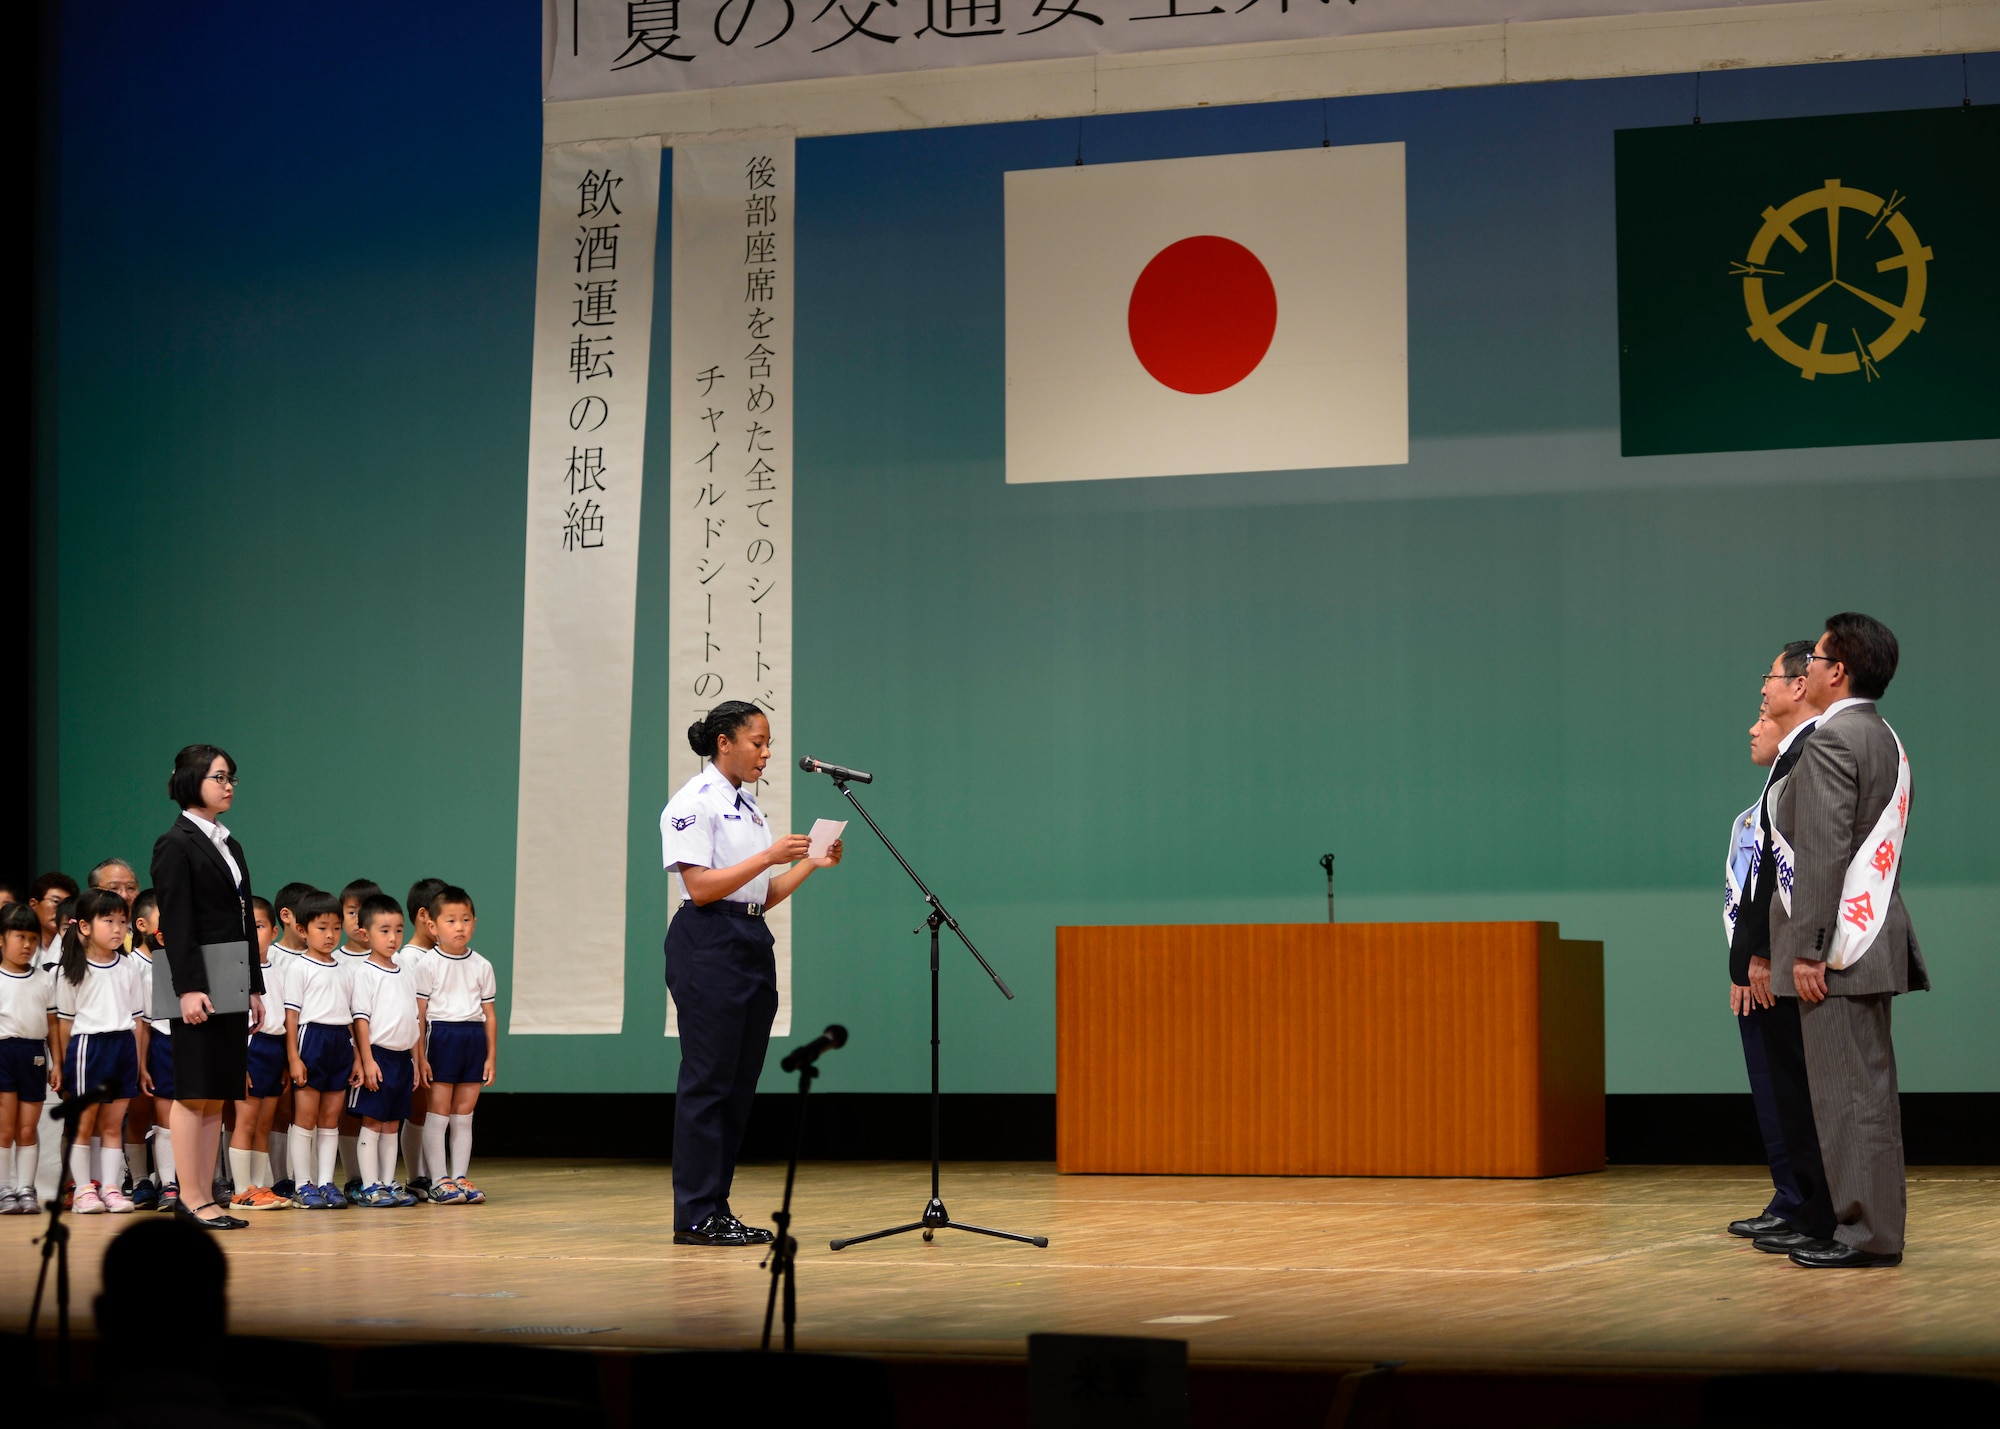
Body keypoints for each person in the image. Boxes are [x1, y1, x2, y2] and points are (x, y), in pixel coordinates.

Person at [1769, 612, 1927, 1269]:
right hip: (1868, 937)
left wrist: (1809, 946)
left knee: (1850, 1100)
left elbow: (1826, 849)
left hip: (1841, 951)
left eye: (1817, 658)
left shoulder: (1836, 739)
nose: (1804, 668)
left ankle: (1866, 1233)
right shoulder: (1880, 734)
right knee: (1865, 1095)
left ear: (1837, 671)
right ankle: (1866, 1226)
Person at [660, 700, 843, 1246]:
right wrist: (768, 857)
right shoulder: (692, 804)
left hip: (747, 938)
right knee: (708, 1084)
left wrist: (811, 860)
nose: (766, 753)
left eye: (768, 744)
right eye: (757, 742)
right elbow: (701, 888)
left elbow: (761, 895)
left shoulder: (748, 806)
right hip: (707, 941)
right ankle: (694, 1214)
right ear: (724, 743)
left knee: (738, 1088)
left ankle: (717, 1208)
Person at [1721, 643, 1833, 1247]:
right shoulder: (1786, 765)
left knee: (1800, 1090)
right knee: (1778, 1090)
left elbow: (1791, 871)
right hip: (1773, 954)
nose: (1759, 695)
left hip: (1793, 956)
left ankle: (1812, 1207)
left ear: (1797, 686)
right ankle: (1795, 1200)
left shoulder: (1813, 754)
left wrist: (1762, 953)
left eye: (1767, 679)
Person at [150, 743, 265, 1231]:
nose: (228, 786)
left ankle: (208, 1195)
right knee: (193, 1091)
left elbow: (242, 921)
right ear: (191, 780)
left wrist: (254, 985)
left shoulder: (229, 843)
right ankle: (190, 1195)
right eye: (219, 777)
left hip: (231, 969)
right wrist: (187, 988)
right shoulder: (174, 843)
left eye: (231, 778)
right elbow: (176, 923)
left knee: (217, 1091)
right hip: (196, 976)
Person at [50, 887, 148, 1213]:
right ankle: (82, 1190)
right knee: (84, 1123)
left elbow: (137, 1020)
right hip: (88, 1047)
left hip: (123, 1047)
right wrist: (63, 1065)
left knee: (112, 1124)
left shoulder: (129, 966)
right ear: (85, 927)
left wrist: (140, 1063)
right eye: (109, 920)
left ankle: (110, 1188)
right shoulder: (71, 970)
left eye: (123, 921)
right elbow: (64, 1024)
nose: (118, 928)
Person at [414, 885, 496, 1204]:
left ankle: (459, 1176)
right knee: (439, 1111)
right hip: (441, 1037)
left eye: (465, 919)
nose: (459, 927)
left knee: (464, 1113)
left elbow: (489, 1014)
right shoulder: (427, 964)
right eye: (450, 920)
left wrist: (490, 1056)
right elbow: (419, 1016)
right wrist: (420, 1057)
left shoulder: (482, 965)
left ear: (474, 922)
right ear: (433, 926)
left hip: (472, 1038)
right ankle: (438, 1180)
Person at [284, 890, 357, 1209]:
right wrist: (294, 1057)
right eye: (322, 927)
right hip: (311, 1040)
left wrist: (355, 1056)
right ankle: (303, 1184)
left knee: (331, 1118)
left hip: (340, 1042)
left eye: (336, 928)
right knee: (306, 1116)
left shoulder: (344, 968)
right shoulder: (298, 967)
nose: (330, 935)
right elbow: (291, 1017)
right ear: (303, 930)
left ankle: (327, 1181)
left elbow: (352, 1017)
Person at [349, 893, 423, 1206]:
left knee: (393, 1123)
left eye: (398, 930)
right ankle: (369, 1185)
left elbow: (414, 1018)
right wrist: (367, 1061)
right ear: (365, 933)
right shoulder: (364, 973)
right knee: (374, 1122)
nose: (392, 938)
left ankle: (389, 1182)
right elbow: (360, 1021)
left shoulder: (406, 970)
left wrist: (417, 1063)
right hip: (377, 1056)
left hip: (402, 1059)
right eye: (384, 930)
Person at [227, 896, 290, 1210]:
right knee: (246, 1122)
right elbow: (230, 1025)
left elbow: (284, 1020)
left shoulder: (279, 972)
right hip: (249, 1050)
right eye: (246, 927)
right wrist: (238, 1063)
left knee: (265, 1124)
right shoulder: (237, 973)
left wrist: (285, 1061)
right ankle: (241, 1190)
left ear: (274, 931)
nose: (252, 933)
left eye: (259, 926)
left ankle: (260, 1186)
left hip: (274, 1050)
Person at [0, 901, 56, 1212]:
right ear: (1, 939)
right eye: (19, 937)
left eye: (32, 939)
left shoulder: (44, 979)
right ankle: (4, 1188)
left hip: (34, 1054)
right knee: (5, 1128)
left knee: (26, 1128)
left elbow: (52, 1024)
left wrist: (57, 1061)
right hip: (3, 1052)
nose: (27, 945)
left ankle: (25, 1188)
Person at [128, 889, 180, 1211]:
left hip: (166, 1043)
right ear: (143, 925)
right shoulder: (131, 964)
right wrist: (138, 1062)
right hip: (137, 1046)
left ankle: (169, 1182)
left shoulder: (173, 960)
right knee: (137, 1115)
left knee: (168, 1117)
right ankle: (138, 1180)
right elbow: (139, 1021)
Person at [263, 882, 314, 1201]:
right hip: (280, 1044)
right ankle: (276, 1178)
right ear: (287, 916)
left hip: (313, 1046)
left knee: (308, 1114)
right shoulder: (274, 957)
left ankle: (303, 1179)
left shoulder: (320, 957)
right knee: (277, 1112)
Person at [334, 880, 382, 1198]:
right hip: (346, 1052)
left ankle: (377, 1180)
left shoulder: (388, 961)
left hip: (379, 1050)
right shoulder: (335, 960)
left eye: (363, 913)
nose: (356, 920)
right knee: (345, 1116)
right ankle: (353, 1179)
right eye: (351, 912)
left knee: (378, 1116)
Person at [398, 877, 445, 1197]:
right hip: (418, 1049)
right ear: (424, 916)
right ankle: (417, 1176)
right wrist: (418, 1056)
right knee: (418, 1111)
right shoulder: (409, 959)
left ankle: (432, 1174)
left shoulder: (445, 956)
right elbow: (414, 1013)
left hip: (442, 1046)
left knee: (435, 1112)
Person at [28, 872, 78, 963]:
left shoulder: (78, 947)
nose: (61, 910)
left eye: (65, 905)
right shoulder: (22, 944)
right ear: (33, 904)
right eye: (55, 901)